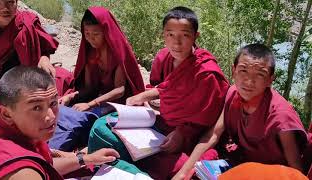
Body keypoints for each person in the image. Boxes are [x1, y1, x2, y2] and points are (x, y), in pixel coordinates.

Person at [87, 6, 229, 179]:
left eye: (184, 35)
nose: (176, 43)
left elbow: (209, 119)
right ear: (163, 35)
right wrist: (145, 104)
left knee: (185, 169)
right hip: (156, 124)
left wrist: (182, 133)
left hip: (186, 139)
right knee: (101, 128)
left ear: (195, 37)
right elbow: (157, 87)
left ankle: (129, 169)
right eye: (170, 35)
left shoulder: (206, 72)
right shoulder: (162, 57)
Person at [172, 44, 308, 179]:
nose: (249, 81)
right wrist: (183, 172)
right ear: (234, 71)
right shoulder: (232, 94)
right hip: (240, 163)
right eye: (243, 71)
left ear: (270, 80)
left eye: (260, 75)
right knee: (181, 166)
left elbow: (296, 170)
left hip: (269, 174)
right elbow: (212, 135)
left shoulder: (280, 116)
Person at [0, 66, 122, 179]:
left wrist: (86, 159)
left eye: (53, 103)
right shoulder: (23, 172)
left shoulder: (21, 136)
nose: (51, 116)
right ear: (6, 114)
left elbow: (45, 165)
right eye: (36, 108)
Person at [0, 0, 68, 123]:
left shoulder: (26, 21)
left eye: (10, 2)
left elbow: (43, 47)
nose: (5, 8)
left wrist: (44, 59)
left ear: (16, 2)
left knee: (63, 77)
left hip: (26, 80)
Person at [59, 6, 145, 115]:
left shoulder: (117, 53)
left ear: (106, 32)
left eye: (96, 34)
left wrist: (90, 104)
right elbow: (89, 88)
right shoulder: (90, 52)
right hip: (97, 97)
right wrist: (71, 96)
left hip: (118, 102)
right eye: (87, 33)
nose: (91, 39)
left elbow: (120, 90)